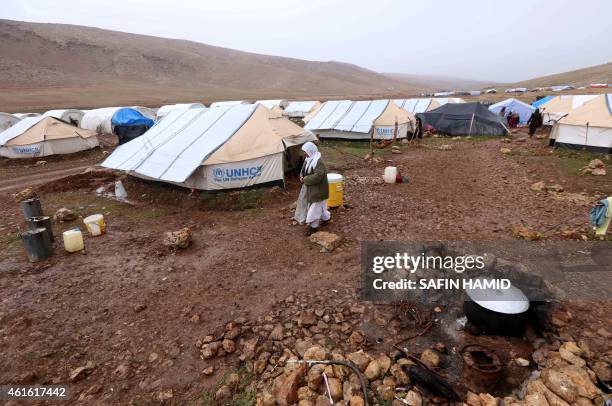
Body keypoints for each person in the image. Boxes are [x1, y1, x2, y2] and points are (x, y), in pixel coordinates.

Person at [299, 142, 330, 236]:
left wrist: (305, 179)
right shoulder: (308, 159)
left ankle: (313, 227)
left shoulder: (318, 162)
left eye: (306, 151)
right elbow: (304, 170)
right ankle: (326, 218)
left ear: (310, 151)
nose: (304, 153)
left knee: (314, 209)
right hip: (312, 188)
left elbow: (318, 176)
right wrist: (301, 176)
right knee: (321, 206)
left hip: (319, 190)